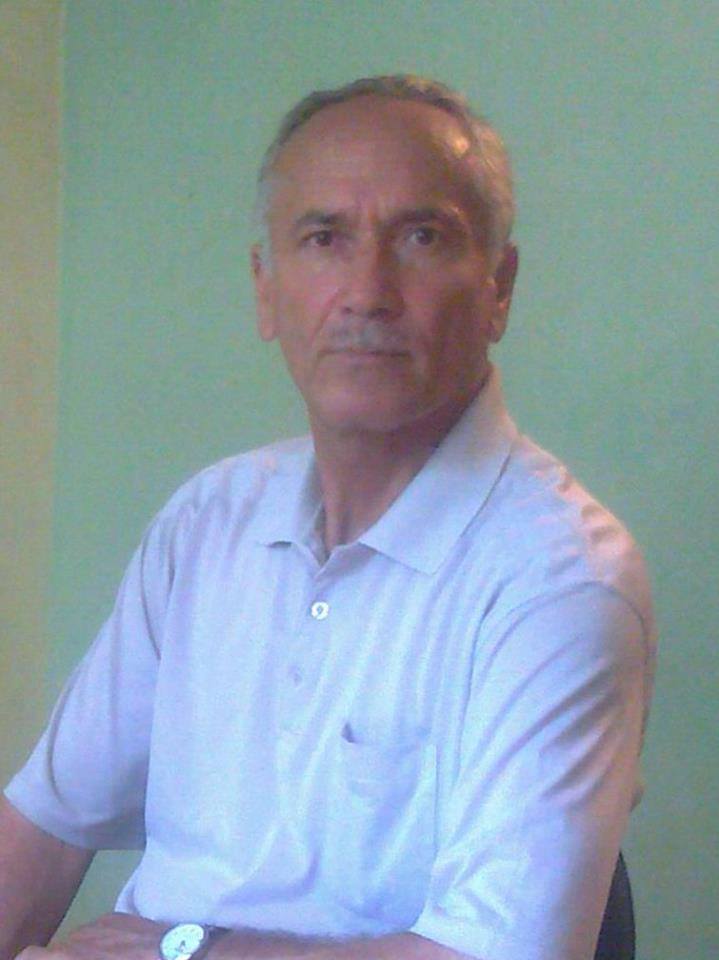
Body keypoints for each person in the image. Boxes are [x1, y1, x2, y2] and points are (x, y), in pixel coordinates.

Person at [1, 75, 655, 960]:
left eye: (421, 237)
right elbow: (41, 826)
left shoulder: (561, 579)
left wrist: (186, 950)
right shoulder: (207, 521)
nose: (366, 291)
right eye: (323, 239)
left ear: (498, 288)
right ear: (265, 290)